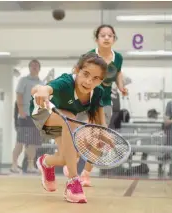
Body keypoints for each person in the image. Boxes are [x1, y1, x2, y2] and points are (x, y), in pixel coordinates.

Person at [30, 52, 108, 203]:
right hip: (42, 114)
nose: (88, 81)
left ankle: (46, 162)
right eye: (85, 74)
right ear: (76, 70)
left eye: (95, 78)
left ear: (100, 81)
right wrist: (41, 90)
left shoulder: (97, 93)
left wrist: (103, 137)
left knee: (66, 158)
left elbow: (101, 124)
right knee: (70, 122)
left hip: (64, 120)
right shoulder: (66, 82)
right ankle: (73, 181)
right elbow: (45, 88)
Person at [64, 24, 128, 187]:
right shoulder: (89, 56)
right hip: (87, 100)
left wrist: (121, 87)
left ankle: (86, 174)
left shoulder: (118, 58)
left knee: (100, 138)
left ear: (114, 39)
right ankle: (73, 161)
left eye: (110, 35)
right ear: (97, 39)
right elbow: (76, 71)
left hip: (105, 102)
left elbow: (118, 72)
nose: (107, 38)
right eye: (103, 35)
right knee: (82, 134)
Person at [11, 59, 44, 173]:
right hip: (24, 116)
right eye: (32, 65)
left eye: (36, 66)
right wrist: (21, 110)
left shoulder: (42, 83)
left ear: (39, 69)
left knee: (33, 143)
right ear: (29, 68)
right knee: (20, 142)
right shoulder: (23, 80)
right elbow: (19, 94)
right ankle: (14, 165)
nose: (34, 67)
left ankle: (31, 165)